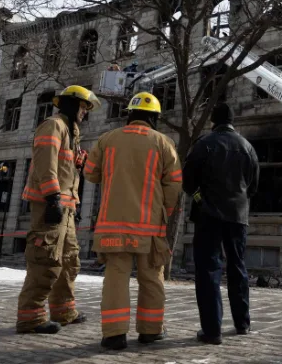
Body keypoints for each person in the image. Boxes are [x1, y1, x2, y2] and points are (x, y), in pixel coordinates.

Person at [84, 92, 182, 351]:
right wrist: (165, 213)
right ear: (154, 118)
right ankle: (151, 331)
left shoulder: (107, 139)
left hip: (112, 225)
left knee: (116, 277)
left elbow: (90, 174)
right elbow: (174, 184)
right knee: (151, 278)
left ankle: (114, 335)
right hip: (149, 229)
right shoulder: (163, 142)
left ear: (130, 115)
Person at [16, 85, 100, 334]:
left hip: (65, 207)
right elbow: (46, 163)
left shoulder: (70, 132)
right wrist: (52, 197)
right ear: (71, 104)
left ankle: (64, 311)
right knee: (46, 259)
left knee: (69, 259)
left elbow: (65, 169)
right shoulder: (53, 125)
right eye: (83, 107)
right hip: (50, 205)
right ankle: (30, 317)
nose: (85, 112)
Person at [183, 102, 259, 345]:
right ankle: (242, 323)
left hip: (209, 215)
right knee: (238, 267)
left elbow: (188, 181)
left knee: (208, 270)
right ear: (233, 121)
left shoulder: (204, 144)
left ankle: (212, 329)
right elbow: (253, 185)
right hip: (238, 216)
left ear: (213, 122)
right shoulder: (247, 147)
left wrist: (199, 197)